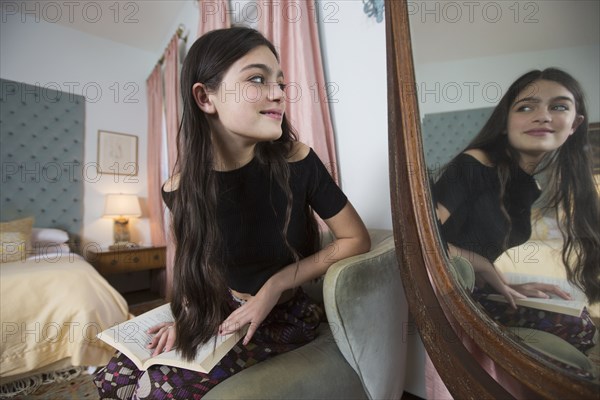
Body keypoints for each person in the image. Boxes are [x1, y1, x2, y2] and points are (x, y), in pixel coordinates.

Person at [94, 27, 370, 399]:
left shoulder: (298, 160)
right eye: (258, 79)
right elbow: (200, 265)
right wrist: (186, 317)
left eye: (281, 83)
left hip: (283, 316)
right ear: (205, 98)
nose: (278, 94)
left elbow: (356, 239)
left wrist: (273, 287)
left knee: (156, 390)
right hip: (220, 311)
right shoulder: (178, 189)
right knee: (114, 377)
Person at [433, 68, 599, 354]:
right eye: (526, 107)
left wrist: (507, 284)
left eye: (558, 106)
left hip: (476, 289)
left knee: (579, 318)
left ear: (575, 124)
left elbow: (477, 241)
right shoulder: (473, 165)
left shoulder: (528, 185)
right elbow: (422, 243)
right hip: (445, 297)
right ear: (504, 122)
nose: (543, 115)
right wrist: (485, 266)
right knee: (579, 327)